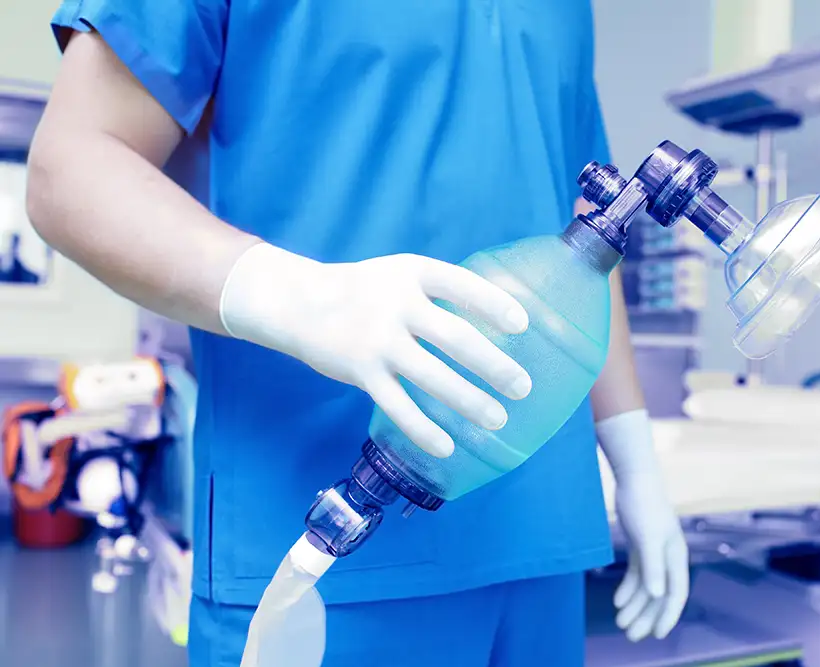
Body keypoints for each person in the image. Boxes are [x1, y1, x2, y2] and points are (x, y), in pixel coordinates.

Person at [26, 2, 689, 665]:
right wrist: (303, 299)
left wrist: (635, 461)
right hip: (317, 550)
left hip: (539, 528)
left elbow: (588, 236)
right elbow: (73, 170)